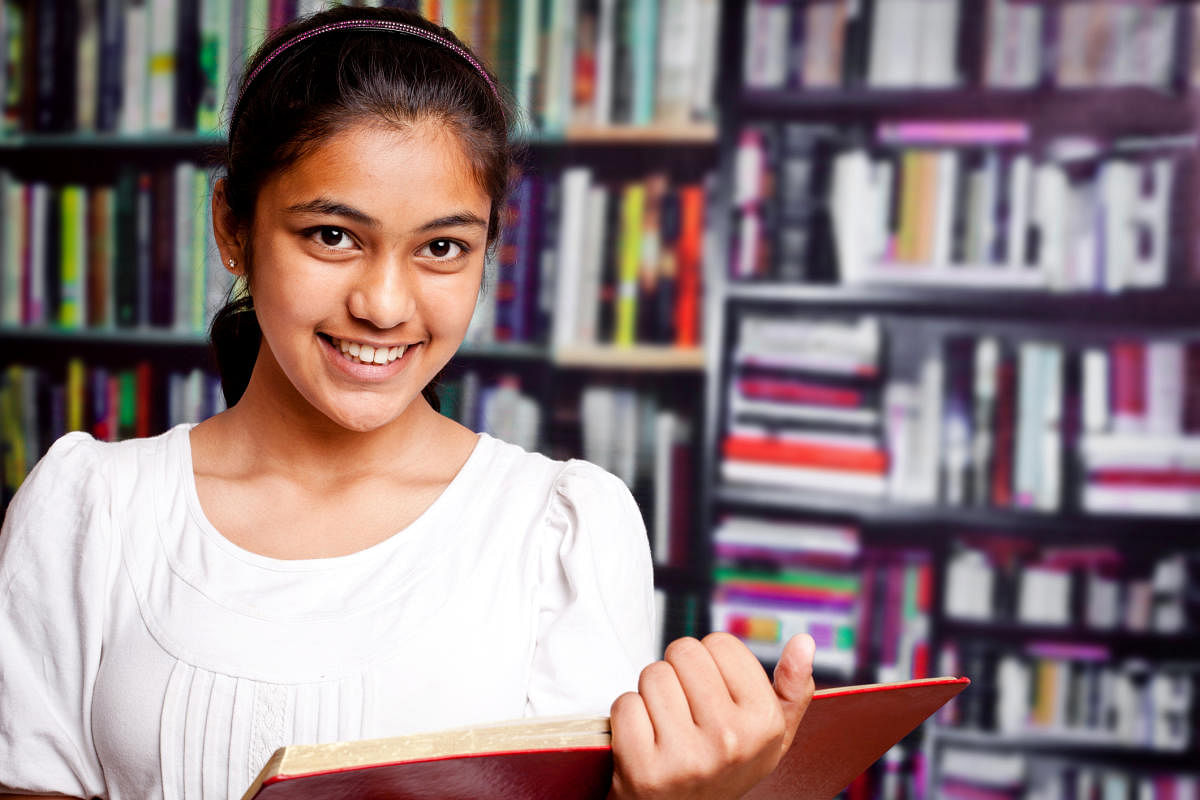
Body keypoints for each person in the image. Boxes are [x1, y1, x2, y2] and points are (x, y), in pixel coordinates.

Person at [0, 6, 814, 799]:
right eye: (331, 235)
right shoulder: (91, 509)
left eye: (441, 247)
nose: (385, 306)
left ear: (488, 252)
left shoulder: (564, 531)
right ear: (232, 227)